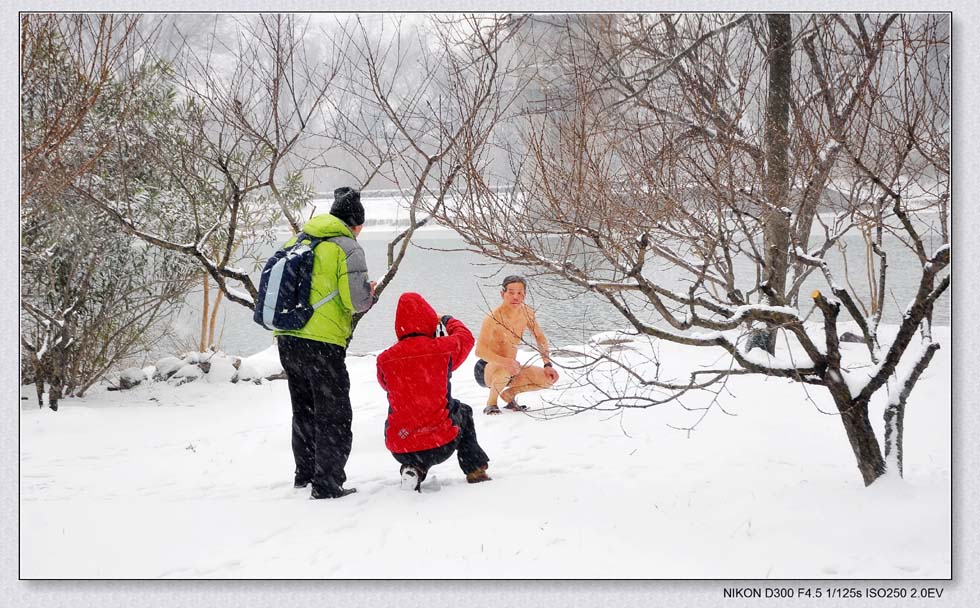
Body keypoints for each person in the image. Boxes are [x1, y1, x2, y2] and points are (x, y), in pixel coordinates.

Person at [276, 186, 376, 499]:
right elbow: (355, 301)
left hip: (288, 337)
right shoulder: (347, 247)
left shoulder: (297, 240)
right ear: (355, 223)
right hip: (322, 343)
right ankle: (327, 483)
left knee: (303, 409)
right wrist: (369, 293)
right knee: (333, 414)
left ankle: (304, 474)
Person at [377, 292, 491, 491]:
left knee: (399, 411)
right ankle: (475, 470)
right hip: (441, 443)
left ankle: (414, 469)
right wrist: (446, 319)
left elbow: (387, 386)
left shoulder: (385, 359)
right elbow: (466, 337)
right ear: (428, 320)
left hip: (401, 446)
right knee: (463, 410)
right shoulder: (443, 349)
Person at [474, 275, 560, 415]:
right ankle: (491, 403)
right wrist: (506, 362)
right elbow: (480, 351)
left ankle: (509, 395)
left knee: (548, 379)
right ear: (502, 294)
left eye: (520, 293)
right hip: (487, 367)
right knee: (506, 369)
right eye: (511, 292)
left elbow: (540, 338)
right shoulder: (493, 318)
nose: (516, 297)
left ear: (524, 295)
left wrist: (547, 364)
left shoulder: (527, 313)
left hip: (513, 368)